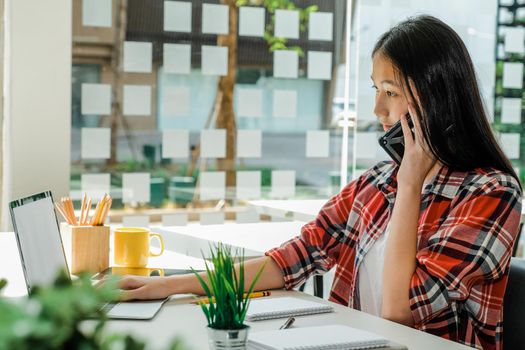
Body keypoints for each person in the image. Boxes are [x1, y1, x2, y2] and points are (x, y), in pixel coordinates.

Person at [116, 16, 522, 350]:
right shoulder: (377, 183)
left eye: (391, 92)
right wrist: (165, 287)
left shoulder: (491, 193)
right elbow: (289, 260)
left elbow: (399, 311)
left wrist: (411, 184)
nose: (376, 108)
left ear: (436, 97)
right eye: (375, 89)